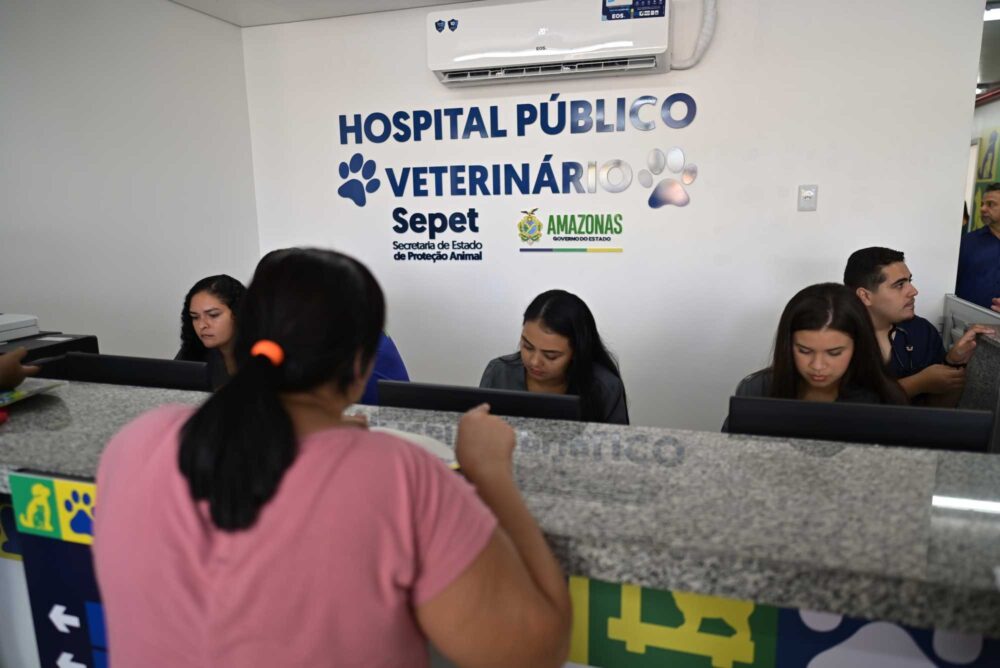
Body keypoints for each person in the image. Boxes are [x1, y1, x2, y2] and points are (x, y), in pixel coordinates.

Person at [94, 248, 570, 668]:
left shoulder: (136, 441)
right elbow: (533, 651)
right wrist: (490, 472)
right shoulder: (399, 476)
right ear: (363, 362)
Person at [727, 283, 906, 425]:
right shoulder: (756, 390)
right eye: (804, 351)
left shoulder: (884, 399)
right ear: (787, 345)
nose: (817, 366)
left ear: (858, 346)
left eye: (834, 353)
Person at [844, 247, 992, 406]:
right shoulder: (837, 339)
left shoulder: (921, 331)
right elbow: (846, 408)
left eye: (910, 281)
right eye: (899, 285)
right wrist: (918, 383)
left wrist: (953, 363)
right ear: (865, 296)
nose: (913, 291)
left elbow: (939, 409)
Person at [480, 289, 628, 424]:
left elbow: (617, 442)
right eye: (527, 347)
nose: (534, 362)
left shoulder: (605, 387)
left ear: (576, 352)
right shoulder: (499, 372)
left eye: (550, 356)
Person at [176, 274, 246, 389]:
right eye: (195, 317)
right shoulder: (191, 351)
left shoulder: (266, 352)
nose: (202, 325)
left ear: (238, 313)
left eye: (213, 315)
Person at [956, 183, 1000, 311]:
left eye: (990, 204)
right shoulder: (967, 243)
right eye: (982, 204)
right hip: (967, 318)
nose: (982, 209)